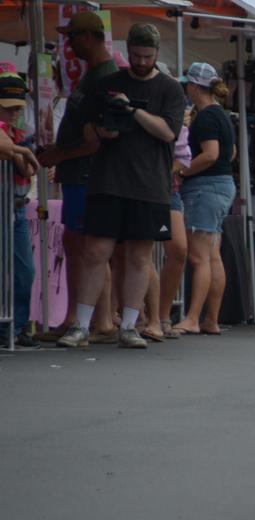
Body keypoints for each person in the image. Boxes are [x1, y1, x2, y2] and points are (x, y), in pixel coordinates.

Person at [57, 23, 184, 350]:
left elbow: (168, 132)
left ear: (156, 54)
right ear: (128, 52)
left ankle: (129, 325)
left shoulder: (170, 89)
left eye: (147, 56)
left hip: (150, 185)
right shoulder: (109, 84)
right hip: (107, 181)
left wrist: (132, 109)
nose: (140, 61)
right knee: (95, 251)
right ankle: (81, 326)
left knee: (140, 256)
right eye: (135, 55)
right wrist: (101, 131)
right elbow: (88, 129)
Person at [35, 10, 118, 342]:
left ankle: (100, 321)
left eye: (71, 38)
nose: (68, 45)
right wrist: (60, 148)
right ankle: (80, 319)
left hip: (86, 173)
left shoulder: (104, 78)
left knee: (89, 247)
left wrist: (60, 153)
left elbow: (96, 140)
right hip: (75, 171)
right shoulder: (92, 75)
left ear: (86, 37)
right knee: (78, 244)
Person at [173, 63, 235, 336]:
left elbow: (210, 154)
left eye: (188, 83)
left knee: (199, 257)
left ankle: (193, 318)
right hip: (222, 185)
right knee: (212, 255)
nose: (185, 88)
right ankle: (211, 319)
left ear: (195, 86)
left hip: (205, 188)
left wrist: (183, 170)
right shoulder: (220, 115)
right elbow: (228, 154)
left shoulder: (206, 117)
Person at [0, 72, 41, 348]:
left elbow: (28, 169)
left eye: (18, 107)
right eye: (8, 107)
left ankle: (17, 326)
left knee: (25, 271)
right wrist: (22, 152)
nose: (15, 112)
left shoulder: (18, 133)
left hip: (16, 206)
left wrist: (21, 153)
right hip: (3, 204)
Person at [157, 110, 191, 338]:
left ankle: (162, 314)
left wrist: (161, 173)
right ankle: (139, 315)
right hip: (138, 186)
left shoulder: (176, 122)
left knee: (179, 249)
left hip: (167, 190)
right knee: (135, 252)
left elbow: (184, 159)